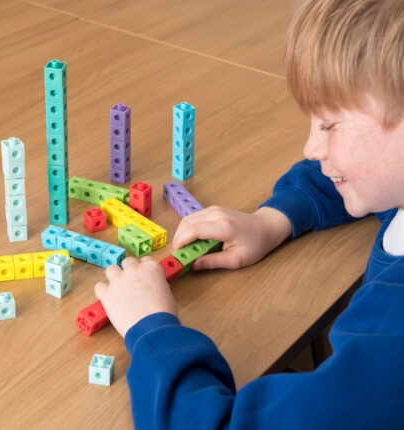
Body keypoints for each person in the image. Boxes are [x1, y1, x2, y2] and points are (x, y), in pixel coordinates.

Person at [94, 0, 404, 428]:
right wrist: (274, 221)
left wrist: (150, 328)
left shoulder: (391, 342)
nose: (311, 148)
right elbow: (376, 176)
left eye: (330, 125)